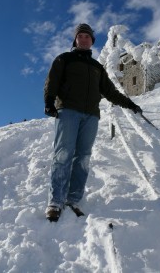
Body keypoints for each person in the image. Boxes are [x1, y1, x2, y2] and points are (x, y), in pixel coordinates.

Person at [44, 23, 142, 222]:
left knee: (83, 158)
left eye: (87, 36)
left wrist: (129, 104)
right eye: (80, 36)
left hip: (91, 116)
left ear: (92, 41)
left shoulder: (97, 67)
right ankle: (55, 202)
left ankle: (73, 200)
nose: (83, 39)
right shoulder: (64, 59)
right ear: (75, 40)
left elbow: (110, 91)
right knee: (63, 154)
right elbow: (52, 81)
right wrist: (49, 102)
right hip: (68, 111)